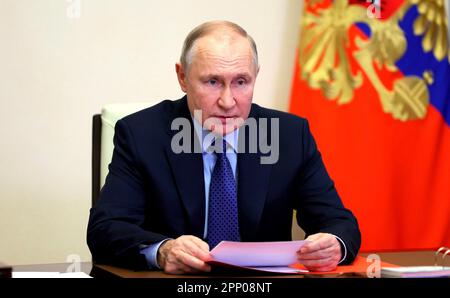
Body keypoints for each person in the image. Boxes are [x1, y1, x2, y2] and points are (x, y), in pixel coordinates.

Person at [87, 20, 361, 274]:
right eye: (212, 82)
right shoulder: (142, 135)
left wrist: (334, 244)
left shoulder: (288, 135)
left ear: (256, 76)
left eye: (241, 82)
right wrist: (162, 251)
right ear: (182, 77)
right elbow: (105, 230)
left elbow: (340, 223)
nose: (228, 101)